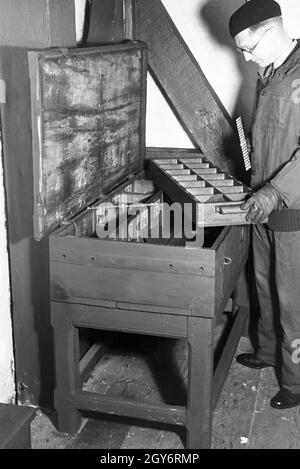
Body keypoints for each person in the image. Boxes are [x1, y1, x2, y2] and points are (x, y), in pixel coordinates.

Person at [229, 0, 300, 409]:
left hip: (292, 209)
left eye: (247, 47)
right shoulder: (269, 73)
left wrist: (275, 190)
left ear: (270, 33)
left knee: (293, 298)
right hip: (261, 204)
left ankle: (295, 380)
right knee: (264, 287)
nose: (244, 56)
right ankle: (268, 349)